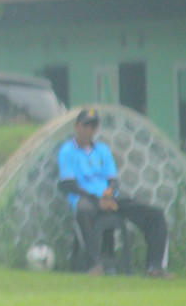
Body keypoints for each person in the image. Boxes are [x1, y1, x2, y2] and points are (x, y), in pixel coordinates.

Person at [57, 108, 170, 277]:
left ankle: (154, 267)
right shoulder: (67, 151)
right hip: (85, 198)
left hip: (108, 197)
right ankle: (94, 264)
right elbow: (68, 184)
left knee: (154, 214)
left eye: (93, 126)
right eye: (85, 125)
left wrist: (110, 192)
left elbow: (112, 179)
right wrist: (97, 200)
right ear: (77, 126)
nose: (89, 130)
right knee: (84, 211)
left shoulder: (102, 149)